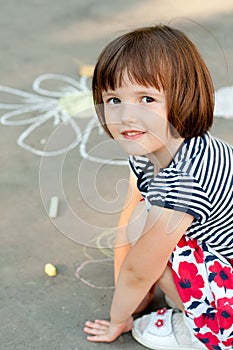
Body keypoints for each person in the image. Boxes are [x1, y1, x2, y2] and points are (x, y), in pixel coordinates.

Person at [83, 25, 233, 350]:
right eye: (114, 99)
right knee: (141, 220)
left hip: (228, 296)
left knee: (146, 227)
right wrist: (135, 296)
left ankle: (201, 328)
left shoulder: (185, 180)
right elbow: (129, 213)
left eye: (146, 98)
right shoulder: (158, 144)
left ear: (183, 97)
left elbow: (139, 269)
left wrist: (120, 318)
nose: (126, 115)